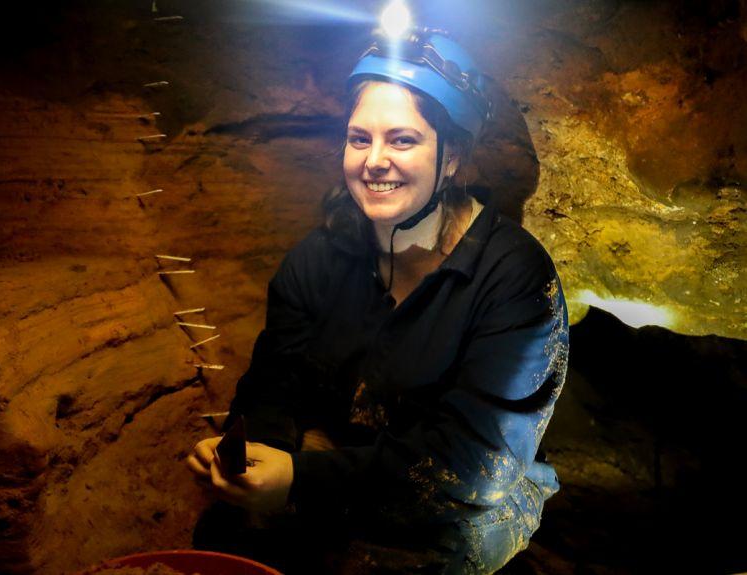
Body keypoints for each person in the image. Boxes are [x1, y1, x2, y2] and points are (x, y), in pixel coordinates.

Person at [186, 23, 569, 575]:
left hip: (471, 486)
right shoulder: (318, 259)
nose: (373, 160)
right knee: (226, 534)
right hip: (342, 454)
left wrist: (296, 479)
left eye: (403, 140)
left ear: (453, 156)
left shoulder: (514, 278)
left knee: (398, 559)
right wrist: (247, 461)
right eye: (360, 138)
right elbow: (274, 387)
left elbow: (474, 468)